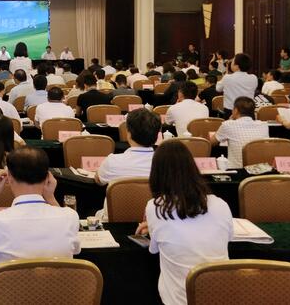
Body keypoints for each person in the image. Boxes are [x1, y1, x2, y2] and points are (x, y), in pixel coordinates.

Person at [136, 140, 232, 305]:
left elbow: (154, 249)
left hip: (177, 300)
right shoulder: (220, 204)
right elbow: (228, 238)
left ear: (156, 174)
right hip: (220, 298)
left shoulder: (155, 207)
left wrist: (153, 228)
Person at [0, 147, 80, 267]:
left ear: (9, 177)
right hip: (59, 281)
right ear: (48, 178)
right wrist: (50, 197)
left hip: (8, 281)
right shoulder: (70, 217)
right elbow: (75, 249)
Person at [95, 108, 159, 220]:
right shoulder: (167, 165)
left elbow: (98, 180)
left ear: (128, 133)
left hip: (113, 223)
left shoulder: (112, 161)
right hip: (153, 221)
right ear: (157, 136)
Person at [209, 96, 269, 168]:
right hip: (260, 170)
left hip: (238, 170)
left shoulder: (228, 124)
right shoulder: (264, 125)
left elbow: (211, 142)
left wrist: (229, 120)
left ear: (236, 110)